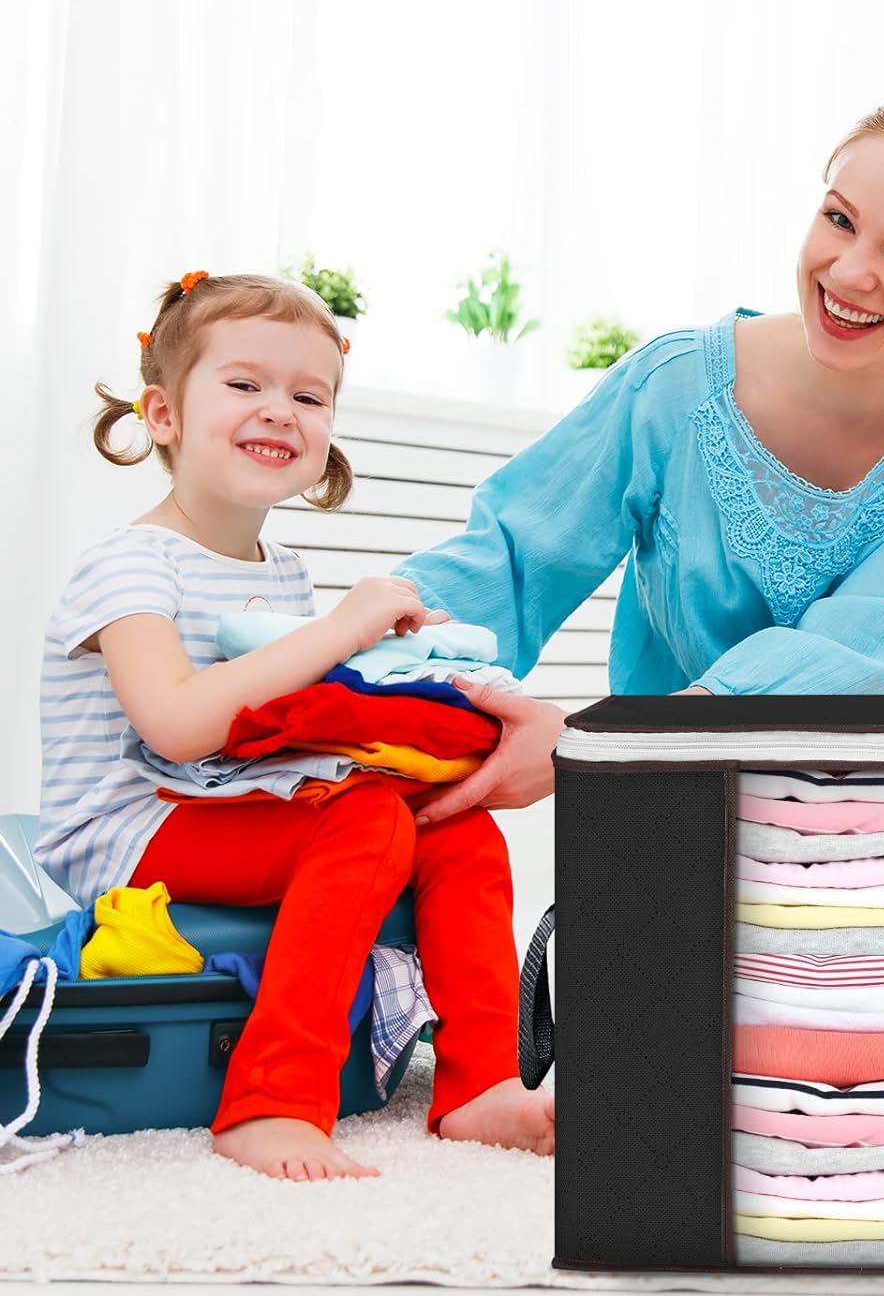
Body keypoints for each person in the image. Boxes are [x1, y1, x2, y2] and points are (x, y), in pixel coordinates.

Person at [398, 92, 884, 824]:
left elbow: (848, 653)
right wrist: (361, 652)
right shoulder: (673, 385)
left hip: (865, 823)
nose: (849, 272)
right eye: (839, 219)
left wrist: (597, 744)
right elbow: (513, 559)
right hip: (662, 805)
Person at [37, 272, 555, 1181]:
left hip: (229, 797)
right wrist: (338, 629)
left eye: (308, 397)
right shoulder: (129, 566)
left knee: (458, 827)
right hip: (127, 826)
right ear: (163, 414)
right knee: (364, 820)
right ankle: (271, 1100)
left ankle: (480, 1083)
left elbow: (288, 720)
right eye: (245, 384)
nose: (280, 409)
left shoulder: (282, 571)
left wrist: (395, 665)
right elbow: (178, 726)